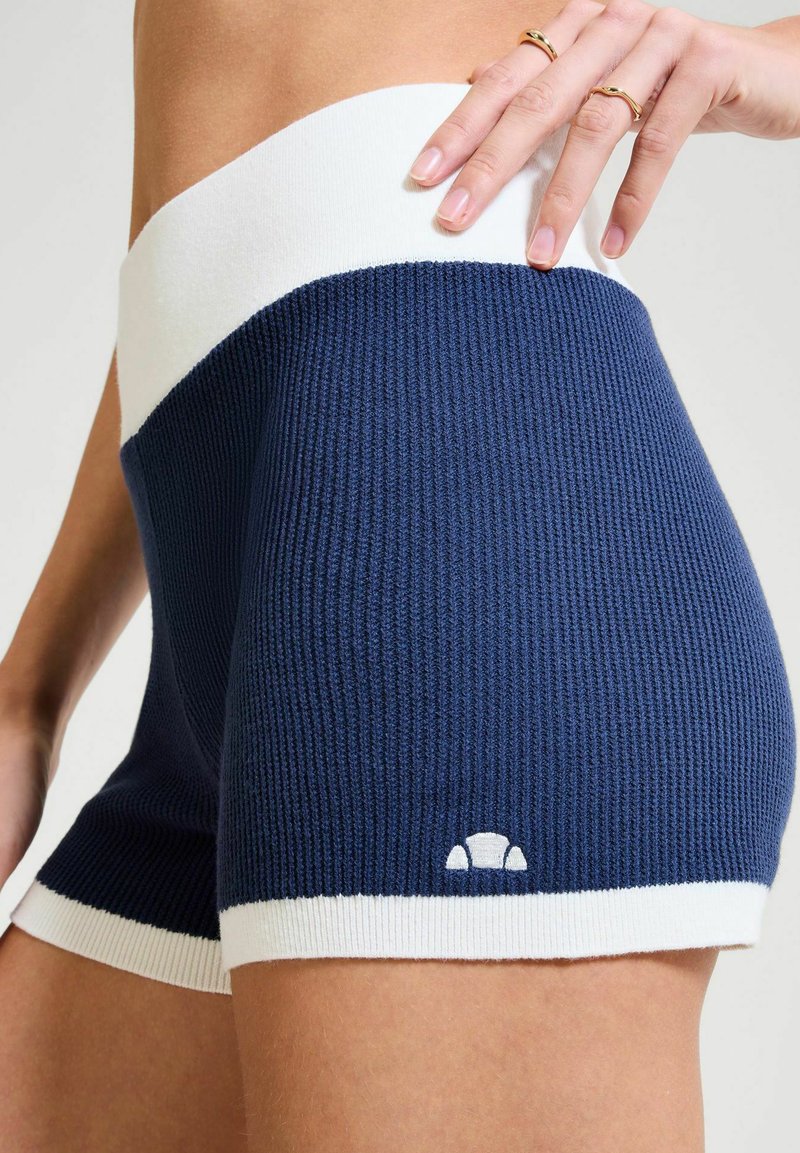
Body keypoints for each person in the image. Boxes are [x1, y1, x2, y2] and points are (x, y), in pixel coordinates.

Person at [1, 1, 798, 1149]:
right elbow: (185, 267)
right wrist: (28, 692)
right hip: (233, 585)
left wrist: (766, 57)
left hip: (457, 523)